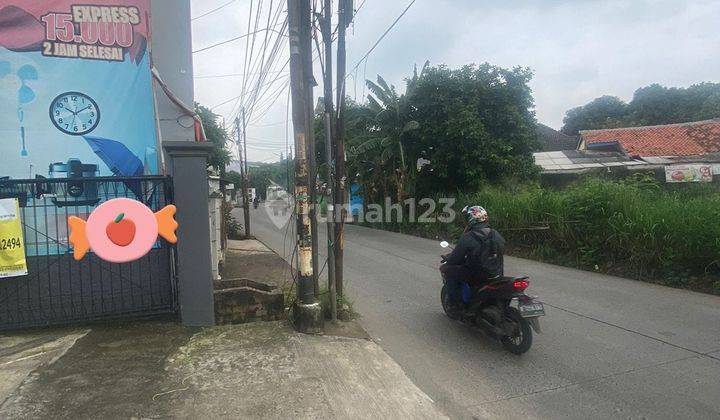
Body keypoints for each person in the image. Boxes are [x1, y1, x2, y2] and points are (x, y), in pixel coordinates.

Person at [441, 205, 505, 310]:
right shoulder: (496, 234)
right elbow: (501, 250)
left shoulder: (469, 237)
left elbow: (455, 259)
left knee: (448, 271)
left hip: (477, 276)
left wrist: (449, 260)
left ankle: (456, 304)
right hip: (497, 274)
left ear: (471, 219)